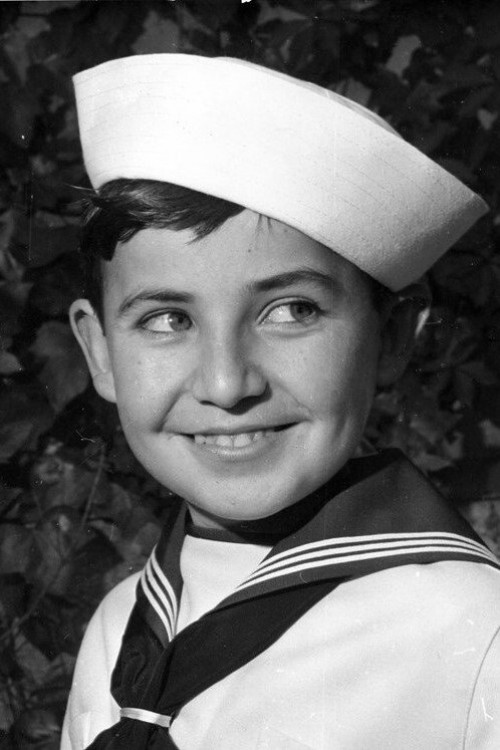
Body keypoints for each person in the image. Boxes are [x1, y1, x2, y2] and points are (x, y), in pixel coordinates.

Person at [61, 54, 500, 750]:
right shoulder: (119, 626)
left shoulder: (477, 638)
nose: (227, 384)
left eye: (292, 310)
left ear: (392, 339)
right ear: (99, 353)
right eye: (168, 319)